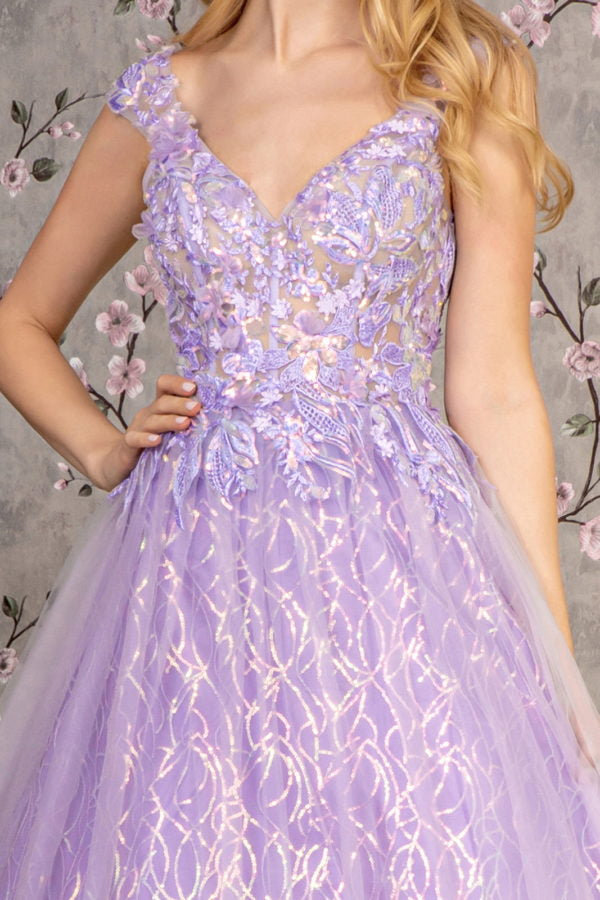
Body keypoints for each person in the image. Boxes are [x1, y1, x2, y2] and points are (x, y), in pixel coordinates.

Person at [1, 0, 600, 896]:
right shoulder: (167, 95)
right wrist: (103, 450)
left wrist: (556, 668)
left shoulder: (459, 72)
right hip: (188, 582)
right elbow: (18, 321)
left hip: (396, 577)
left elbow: (495, 389)